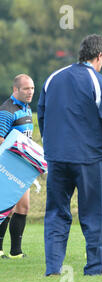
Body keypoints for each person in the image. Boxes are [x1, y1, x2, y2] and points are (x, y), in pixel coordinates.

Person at [38, 34, 102, 276]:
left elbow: (42, 116)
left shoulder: (53, 78)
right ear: (100, 55)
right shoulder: (99, 81)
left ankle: (53, 268)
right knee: (93, 213)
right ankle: (94, 267)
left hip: (57, 158)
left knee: (56, 213)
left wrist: (52, 147)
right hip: (88, 159)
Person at [0, 74, 35, 259]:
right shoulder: (7, 111)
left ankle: (16, 252)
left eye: (32, 89)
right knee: (6, 207)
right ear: (15, 90)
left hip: (23, 168)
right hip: (8, 168)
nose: (30, 92)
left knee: (23, 207)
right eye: (26, 89)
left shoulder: (27, 109)